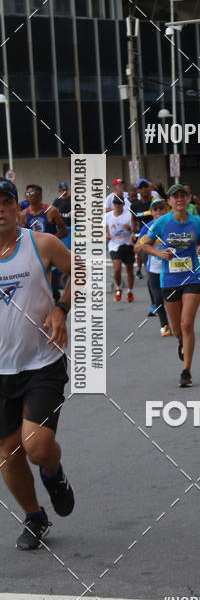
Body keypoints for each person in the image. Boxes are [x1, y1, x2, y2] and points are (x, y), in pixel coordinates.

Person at [0, 178, 75, 550]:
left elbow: (81, 271)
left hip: (42, 362)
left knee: (37, 446)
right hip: (1, 371)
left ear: (18, 208)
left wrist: (61, 309)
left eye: (5, 202)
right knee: (7, 453)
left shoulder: (40, 242)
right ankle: (34, 517)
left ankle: (53, 474)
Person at [144, 184, 200, 387]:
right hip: (169, 280)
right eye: (175, 197)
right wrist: (160, 253)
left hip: (193, 277)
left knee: (187, 323)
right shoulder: (162, 222)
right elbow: (145, 244)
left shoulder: (197, 222)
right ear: (170, 201)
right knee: (177, 329)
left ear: (188, 199)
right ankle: (182, 341)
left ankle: (186, 371)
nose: (179, 199)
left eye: (183, 196)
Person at [20, 184, 68, 302]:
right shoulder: (23, 215)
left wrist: (50, 240)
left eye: (32, 194)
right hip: (33, 257)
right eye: (27, 194)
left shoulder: (51, 211)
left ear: (40, 195)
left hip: (50, 257)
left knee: (53, 291)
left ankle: (57, 313)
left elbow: (64, 231)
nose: (29, 197)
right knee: (35, 290)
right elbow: (21, 236)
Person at [134, 197, 171, 336]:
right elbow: (136, 249)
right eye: (155, 209)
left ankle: (177, 321)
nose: (159, 211)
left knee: (171, 297)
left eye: (161, 208)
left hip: (170, 268)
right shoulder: (147, 227)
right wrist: (143, 242)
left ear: (166, 209)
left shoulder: (172, 224)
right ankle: (164, 325)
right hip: (154, 268)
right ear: (151, 211)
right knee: (157, 298)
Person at [105, 194, 135, 302]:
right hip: (114, 245)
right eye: (115, 203)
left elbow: (134, 231)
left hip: (127, 245)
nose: (117, 205)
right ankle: (118, 289)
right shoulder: (108, 216)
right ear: (113, 204)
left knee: (129, 270)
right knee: (117, 269)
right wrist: (105, 234)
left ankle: (130, 291)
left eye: (119, 203)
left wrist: (130, 229)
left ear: (123, 204)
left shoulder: (129, 215)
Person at [130, 178, 154, 279]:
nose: (144, 189)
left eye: (145, 187)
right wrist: (132, 232)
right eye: (141, 187)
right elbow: (133, 219)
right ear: (138, 191)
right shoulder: (135, 206)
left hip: (158, 238)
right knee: (148, 267)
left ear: (149, 188)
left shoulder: (156, 203)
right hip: (144, 237)